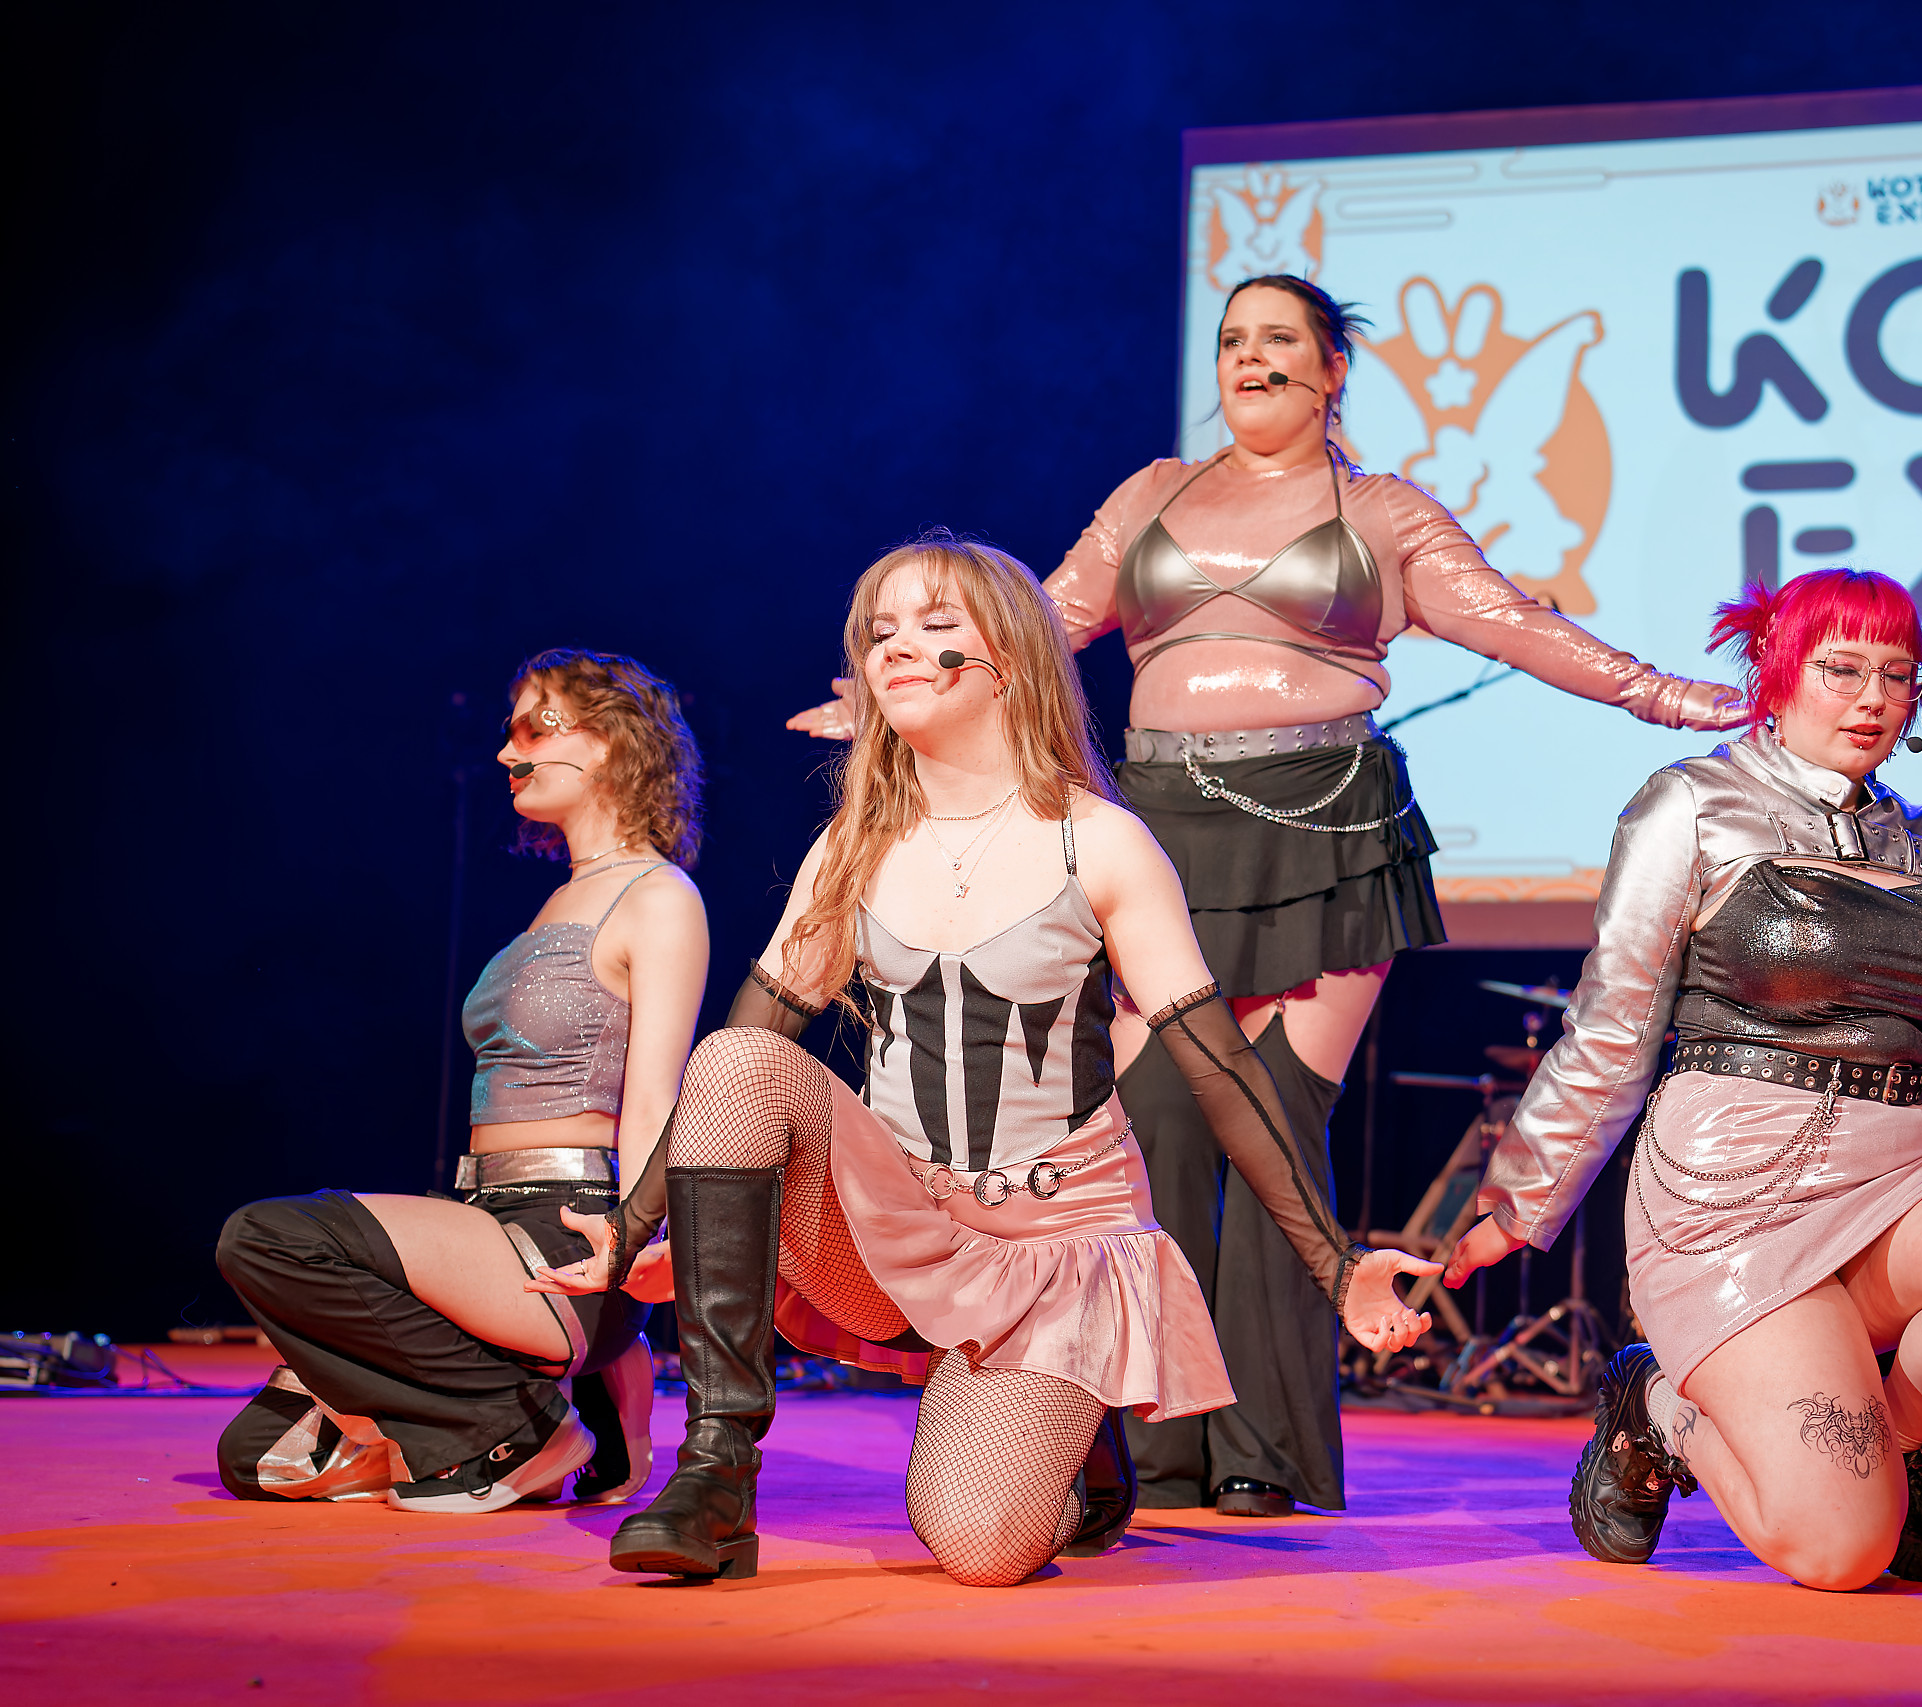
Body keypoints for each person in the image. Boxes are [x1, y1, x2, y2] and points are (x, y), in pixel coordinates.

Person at [792, 273, 1742, 1517]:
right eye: (1233, 338)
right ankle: (1141, 1445)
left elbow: (1513, 625)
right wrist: (892, 688)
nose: (1250, 356)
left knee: (1279, 1120)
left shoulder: (1382, 511)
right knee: (1155, 1121)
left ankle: (1263, 1452)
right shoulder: (1152, 494)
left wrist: (1665, 697)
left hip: (1324, 825)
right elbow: (1038, 621)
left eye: (1279, 338)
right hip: (1164, 824)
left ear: (1331, 368)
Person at [537, 533, 1437, 1588]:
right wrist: (631, 1229)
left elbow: (1219, 1069)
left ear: (1007, 657)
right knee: (738, 1057)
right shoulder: (851, 847)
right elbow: (740, 1066)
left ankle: (1080, 1433)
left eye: (933, 625)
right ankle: (716, 1474)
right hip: (895, 1226)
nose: (894, 648)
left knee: (980, 1546)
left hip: (1047, 1245)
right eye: (879, 631)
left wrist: (1337, 1263)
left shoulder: (1098, 841)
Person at [1444, 568, 1922, 1590]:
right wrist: (1517, 1205)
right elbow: (1613, 1022)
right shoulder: (1693, 804)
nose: (1873, 698)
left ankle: (1891, 1454)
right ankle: (1657, 1407)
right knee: (1841, 1552)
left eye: (1897, 676)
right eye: (1842, 670)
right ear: (1778, 673)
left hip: (1899, 1173)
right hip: (1735, 1189)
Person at [215, 649, 708, 1512]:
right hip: (483, 1216)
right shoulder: (561, 899)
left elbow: (656, 1098)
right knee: (256, 1454)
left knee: (265, 1238)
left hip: (563, 1233)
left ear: (606, 742)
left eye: (532, 727)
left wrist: (635, 1239)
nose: (506, 751)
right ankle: (563, 1407)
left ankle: (522, 1428)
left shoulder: (658, 895)